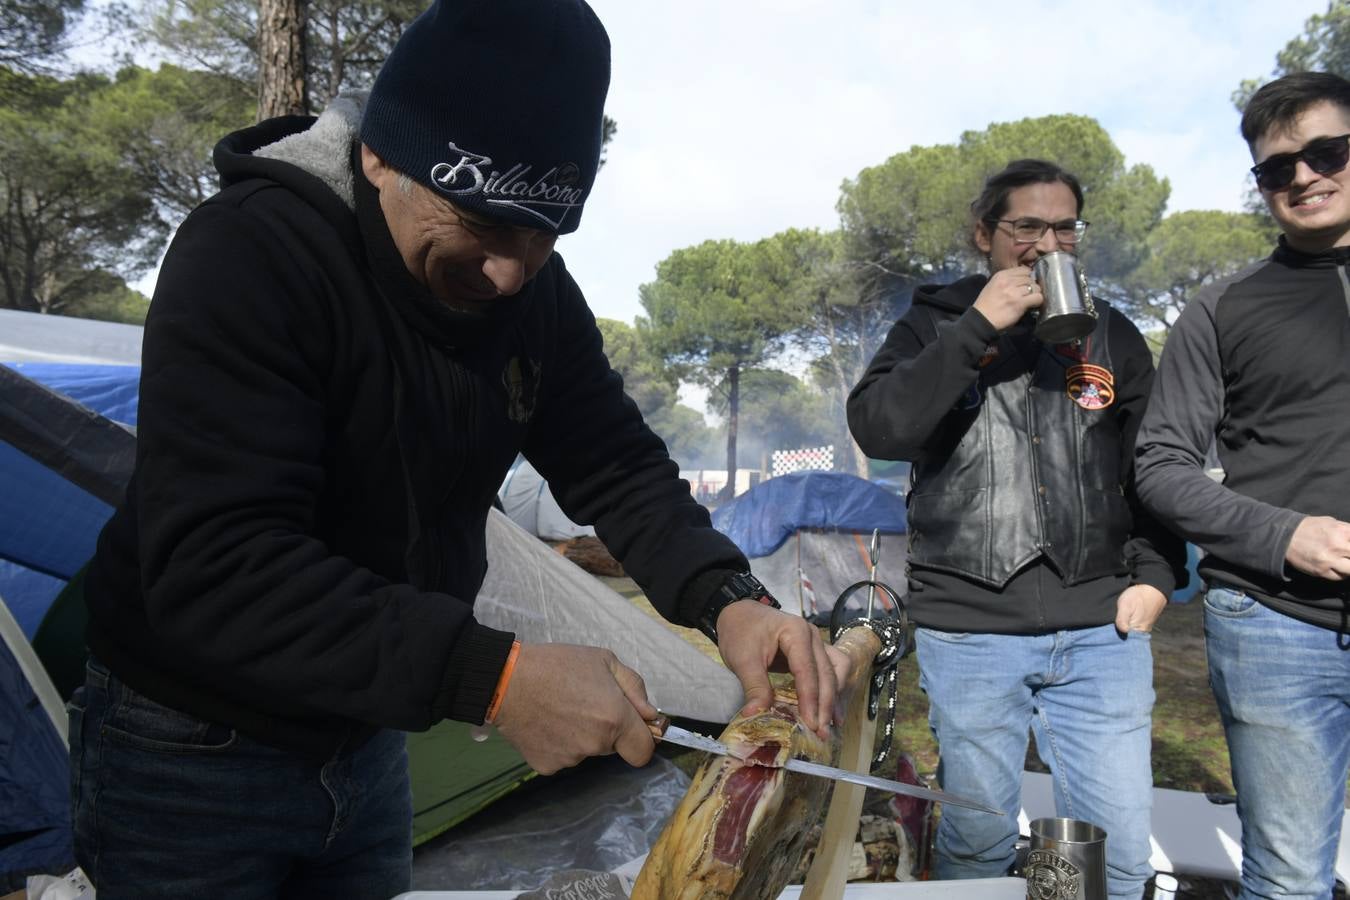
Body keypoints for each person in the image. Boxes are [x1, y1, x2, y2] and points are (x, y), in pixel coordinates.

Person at [67, 2, 848, 897]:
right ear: (379, 154)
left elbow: (617, 464)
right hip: (190, 748)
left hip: (365, 731)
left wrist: (730, 600)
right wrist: (497, 678)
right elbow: (217, 564)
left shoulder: (532, 294)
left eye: (543, 233)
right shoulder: (249, 254)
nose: (510, 272)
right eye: (480, 221)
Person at [847, 159, 1186, 900]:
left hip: (1103, 632)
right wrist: (975, 328)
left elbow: (1154, 465)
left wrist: (1158, 579)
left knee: (1117, 857)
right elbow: (881, 428)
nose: (1047, 243)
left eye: (1064, 227)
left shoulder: (1110, 332)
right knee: (978, 845)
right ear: (984, 235)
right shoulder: (934, 322)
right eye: (1026, 226)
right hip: (970, 632)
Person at [1135, 71, 1350, 900]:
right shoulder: (1220, 309)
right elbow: (1160, 465)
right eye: (1275, 168)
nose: (1302, 176)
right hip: (1274, 625)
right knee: (1290, 875)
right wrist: (1284, 534)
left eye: (1326, 151)